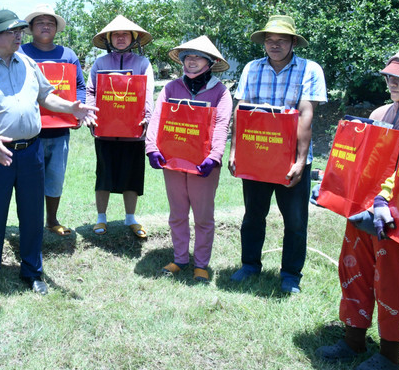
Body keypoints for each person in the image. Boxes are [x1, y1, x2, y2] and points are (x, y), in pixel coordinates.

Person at [0, 10, 97, 297]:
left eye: (20, 30)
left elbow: (46, 96)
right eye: (12, 31)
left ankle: (32, 271)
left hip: (31, 152)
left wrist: (71, 107)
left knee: (32, 216)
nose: (20, 35)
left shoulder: (27, 63)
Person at [315, 47, 399, 370]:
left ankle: (389, 355)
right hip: (362, 214)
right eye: (389, 76)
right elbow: (360, 161)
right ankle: (353, 340)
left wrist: (384, 204)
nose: (392, 82)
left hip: (397, 220)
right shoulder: (380, 113)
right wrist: (331, 184)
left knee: (393, 281)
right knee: (354, 269)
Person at [228, 15, 327, 294]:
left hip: (292, 160)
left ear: (293, 42)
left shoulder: (310, 70)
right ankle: (249, 265)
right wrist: (235, 151)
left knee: (295, 220)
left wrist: (299, 160)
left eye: (281, 40)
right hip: (257, 157)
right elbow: (241, 112)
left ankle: (291, 275)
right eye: (270, 40)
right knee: (253, 214)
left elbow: (307, 114)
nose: (275, 45)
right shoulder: (251, 68)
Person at [145, 36, 232, 282]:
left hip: (204, 165)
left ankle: (201, 263)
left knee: (203, 216)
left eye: (197, 56)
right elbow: (157, 118)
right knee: (177, 213)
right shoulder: (171, 88)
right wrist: (152, 148)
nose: (191, 61)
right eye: (188, 56)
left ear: (210, 62)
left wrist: (214, 157)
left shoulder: (220, 92)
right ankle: (180, 258)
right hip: (172, 161)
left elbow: (222, 125)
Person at [85, 15, 154, 238]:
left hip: (134, 133)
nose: (120, 37)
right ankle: (101, 218)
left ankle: (130, 218)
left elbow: (148, 94)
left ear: (134, 38)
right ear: (109, 39)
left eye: (125, 34)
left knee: (132, 174)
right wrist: (90, 114)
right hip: (104, 130)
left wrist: (147, 116)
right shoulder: (99, 63)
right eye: (116, 34)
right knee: (103, 173)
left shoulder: (143, 64)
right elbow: (91, 92)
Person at [20, 4, 86, 236]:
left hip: (60, 131)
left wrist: (78, 110)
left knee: (55, 177)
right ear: (30, 28)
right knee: (30, 180)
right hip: (30, 131)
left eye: (50, 22)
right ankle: (31, 222)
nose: (46, 26)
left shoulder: (68, 55)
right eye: (40, 22)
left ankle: (52, 220)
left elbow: (79, 86)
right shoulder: (21, 52)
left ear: (57, 28)